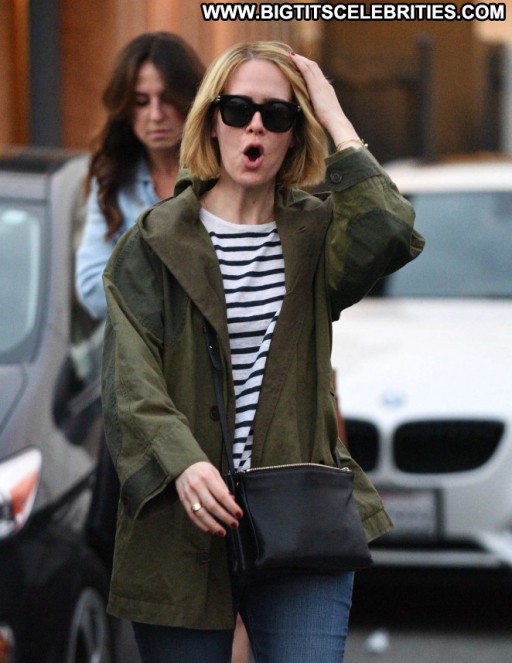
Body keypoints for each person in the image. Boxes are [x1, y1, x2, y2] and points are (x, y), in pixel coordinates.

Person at [101, 40, 424, 663]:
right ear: (211, 121)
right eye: (237, 109)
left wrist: (333, 112)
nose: (255, 126)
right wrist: (183, 463)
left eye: (277, 115)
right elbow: (128, 385)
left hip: (300, 515)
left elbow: (389, 229)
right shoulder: (151, 242)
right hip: (183, 519)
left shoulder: (316, 234)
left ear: (294, 133)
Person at [75, 31, 205, 319]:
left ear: (191, 100)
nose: (156, 115)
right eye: (141, 101)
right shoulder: (112, 179)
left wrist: (136, 275)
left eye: (167, 99)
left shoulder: (221, 174)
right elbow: (92, 289)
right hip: (141, 347)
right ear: (125, 107)